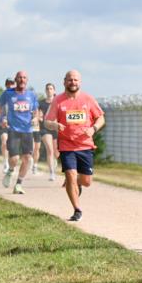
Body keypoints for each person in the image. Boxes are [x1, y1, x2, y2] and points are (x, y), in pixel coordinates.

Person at [45, 70, 105, 222]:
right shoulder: (58, 100)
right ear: (64, 82)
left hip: (85, 145)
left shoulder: (88, 99)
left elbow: (100, 118)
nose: (73, 82)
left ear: (80, 82)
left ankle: (75, 182)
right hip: (66, 146)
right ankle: (77, 210)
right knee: (70, 174)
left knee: (86, 181)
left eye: (75, 80)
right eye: (70, 80)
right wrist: (54, 125)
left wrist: (93, 129)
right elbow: (47, 122)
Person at [0, 70, 38, 195]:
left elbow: (35, 110)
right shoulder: (8, 93)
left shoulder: (31, 95)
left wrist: (35, 118)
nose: (22, 80)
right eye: (19, 77)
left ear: (27, 80)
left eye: (24, 77)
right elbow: (0, 107)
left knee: (27, 158)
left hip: (27, 130)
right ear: (16, 79)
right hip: (13, 130)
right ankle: (10, 171)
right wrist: (2, 118)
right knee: (15, 158)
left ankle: (18, 184)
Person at [38, 82, 58, 181]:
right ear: (45, 91)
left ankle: (54, 160)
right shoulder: (41, 103)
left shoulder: (58, 102)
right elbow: (39, 115)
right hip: (45, 128)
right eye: (48, 89)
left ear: (54, 91)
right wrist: (40, 118)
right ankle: (52, 173)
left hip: (56, 128)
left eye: (51, 89)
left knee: (56, 152)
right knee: (49, 149)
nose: (49, 90)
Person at [0, 77, 16, 174]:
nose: (10, 85)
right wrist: (2, 118)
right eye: (8, 84)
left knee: (12, 145)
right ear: (6, 85)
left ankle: (11, 164)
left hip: (15, 124)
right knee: (4, 141)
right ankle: (5, 163)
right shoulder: (3, 95)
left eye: (11, 84)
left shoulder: (18, 95)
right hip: (4, 122)